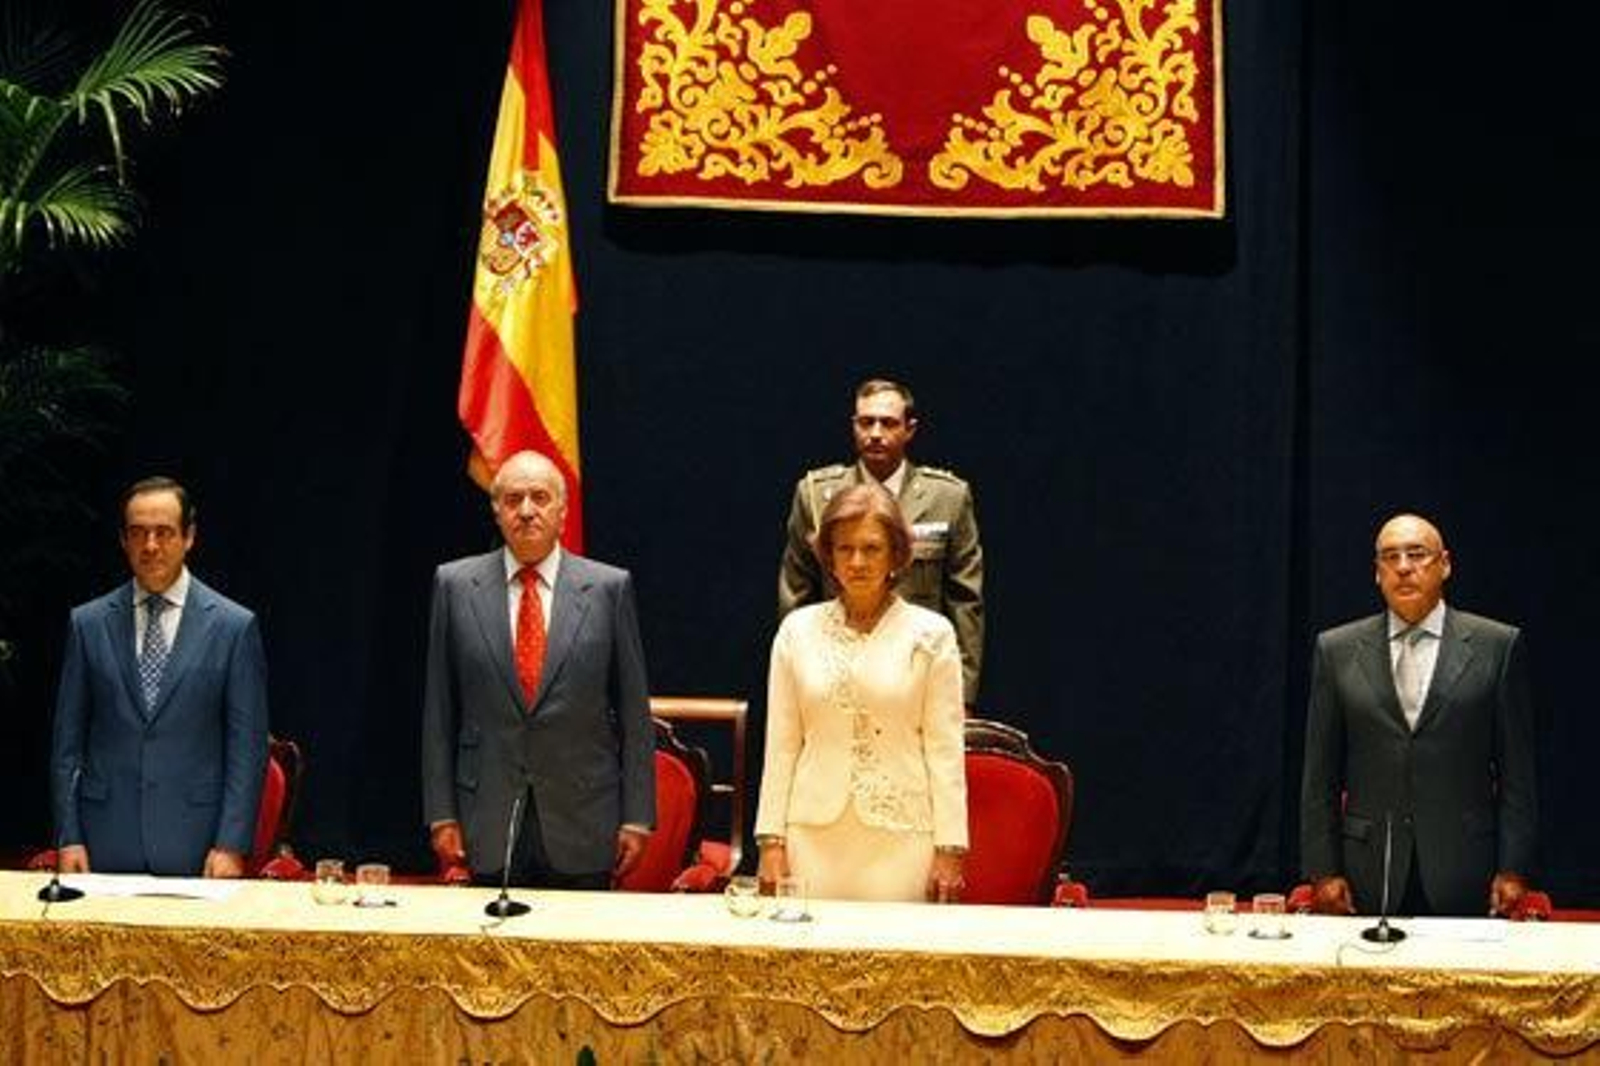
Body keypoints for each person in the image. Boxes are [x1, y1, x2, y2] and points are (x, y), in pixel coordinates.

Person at [421, 450, 655, 890]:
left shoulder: (609, 588)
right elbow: (439, 711)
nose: (526, 511)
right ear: (496, 510)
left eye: (540, 497)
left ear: (562, 511)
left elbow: (633, 714)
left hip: (585, 819)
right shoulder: (455, 586)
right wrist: (441, 814)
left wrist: (637, 817)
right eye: (513, 500)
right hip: (486, 819)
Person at [1300, 512, 1538, 917]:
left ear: (1444, 564)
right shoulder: (1336, 650)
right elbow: (1319, 775)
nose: (1403, 567)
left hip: (1467, 868)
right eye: (1390, 557)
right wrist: (1322, 871)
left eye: (1416, 554)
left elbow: (1518, 772)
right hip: (1366, 871)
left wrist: (1514, 867)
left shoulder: (1497, 647)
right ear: (1377, 572)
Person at [756, 482, 968, 903]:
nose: (857, 562)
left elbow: (945, 750)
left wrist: (950, 848)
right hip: (811, 835)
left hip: (903, 837)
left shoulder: (933, 635)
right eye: (845, 548)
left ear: (896, 555)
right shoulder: (796, 631)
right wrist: (770, 842)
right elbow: (781, 744)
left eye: (871, 549)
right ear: (828, 556)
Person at [49, 476, 269, 877]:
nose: (150, 546)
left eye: (164, 532)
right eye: (138, 533)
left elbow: (247, 750)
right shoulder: (88, 624)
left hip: (198, 845)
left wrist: (231, 843)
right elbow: (67, 745)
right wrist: (69, 837)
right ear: (123, 540)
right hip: (102, 844)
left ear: (189, 537)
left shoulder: (233, 628)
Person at [778, 379, 984, 706]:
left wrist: (962, 695)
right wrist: (798, 680)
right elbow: (796, 593)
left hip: (918, 672)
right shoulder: (817, 496)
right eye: (866, 422)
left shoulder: (948, 498)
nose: (875, 433)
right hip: (836, 674)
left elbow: (965, 602)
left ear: (909, 429)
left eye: (888, 423)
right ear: (853, 425)